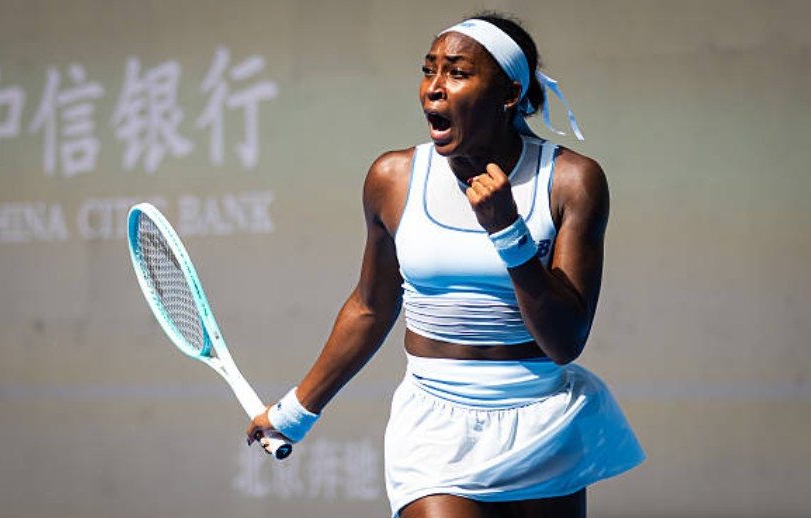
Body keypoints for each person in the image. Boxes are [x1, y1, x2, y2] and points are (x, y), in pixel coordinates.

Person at [247, 12, 645, 518]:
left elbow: (565, 341)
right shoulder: (392, 178)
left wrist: (508, 232)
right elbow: (370, 307)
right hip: (432, 429)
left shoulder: (571, 181)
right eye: (428, 69)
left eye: (457, 72)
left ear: (509, 93)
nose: (433, 89)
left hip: (542, 426)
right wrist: (296, 412)